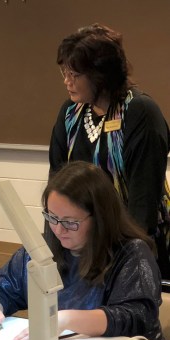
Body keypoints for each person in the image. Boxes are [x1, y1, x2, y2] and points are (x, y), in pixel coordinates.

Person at [0, 161, 162, 340]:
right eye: (52, 217)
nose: (58, 230)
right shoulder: (42, 248)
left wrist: (67, 320)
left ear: (100, 218)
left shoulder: (131, 253)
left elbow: (136, 316)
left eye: (70, 222)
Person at [49, 23, 170, 278]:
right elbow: (56, 185)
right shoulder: (70, 114)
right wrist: (55, 248)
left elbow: (142, 207)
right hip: (82, 244)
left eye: (75, 75)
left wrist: (121, 262)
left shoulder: (140, 113)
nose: (66, 81)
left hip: (134, 247)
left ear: (100, 75)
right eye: (65, 72)